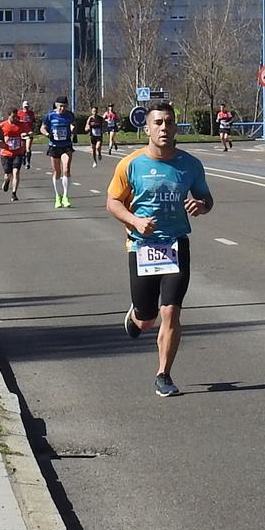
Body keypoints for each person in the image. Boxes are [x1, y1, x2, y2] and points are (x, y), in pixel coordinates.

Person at [106, 101, 214, 398]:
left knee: (171, 312)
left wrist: (201, 205)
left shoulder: (190, 164)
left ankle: (163, 374)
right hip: (141, 246)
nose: (164, 128)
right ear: (147, 128)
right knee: (148, 317)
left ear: (175, 126)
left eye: (168, 122)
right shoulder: (130, 164)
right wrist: (135, 220)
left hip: (176, 243)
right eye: (158, 123)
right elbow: (112, 202)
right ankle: (137, 315)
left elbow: (206, 198)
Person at [41, 96, 76, 208]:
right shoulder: (50, 116)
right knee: (57, 171)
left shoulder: (69, 115)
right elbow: (42, 128)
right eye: (61, 106)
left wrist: (73, 130)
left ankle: (65, 196)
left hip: (66, 145)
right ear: (56, 105)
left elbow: (73, 125)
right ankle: (57, 196)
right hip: (54, 146)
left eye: (65, 106)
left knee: (66, 169)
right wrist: (47, 134)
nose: (62, 109)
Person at [0, 106, 28, 201]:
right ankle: (7, 180)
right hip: (6, 153)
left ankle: (14, 193)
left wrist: (26, 134)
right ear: (8, 116)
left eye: (16, 116)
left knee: (16, 172)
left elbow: (31, 132)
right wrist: (3, 140)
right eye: (13, 116)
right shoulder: (3, 125)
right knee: (8, 173)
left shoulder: (21, 125)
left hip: (17, 152)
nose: (15, 118)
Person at [17, 100, 38, 169]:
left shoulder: (31, 113)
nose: (26, 108)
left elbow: (34, 122)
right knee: (23, 149)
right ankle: (23, 158)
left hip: (29, 133)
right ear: (23, 107)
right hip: (22, 133)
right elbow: (16, 123)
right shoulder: (19, 113)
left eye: (27, 107)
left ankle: (28, 162)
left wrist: (33, 130)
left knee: (28, 148)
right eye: (25, 107)